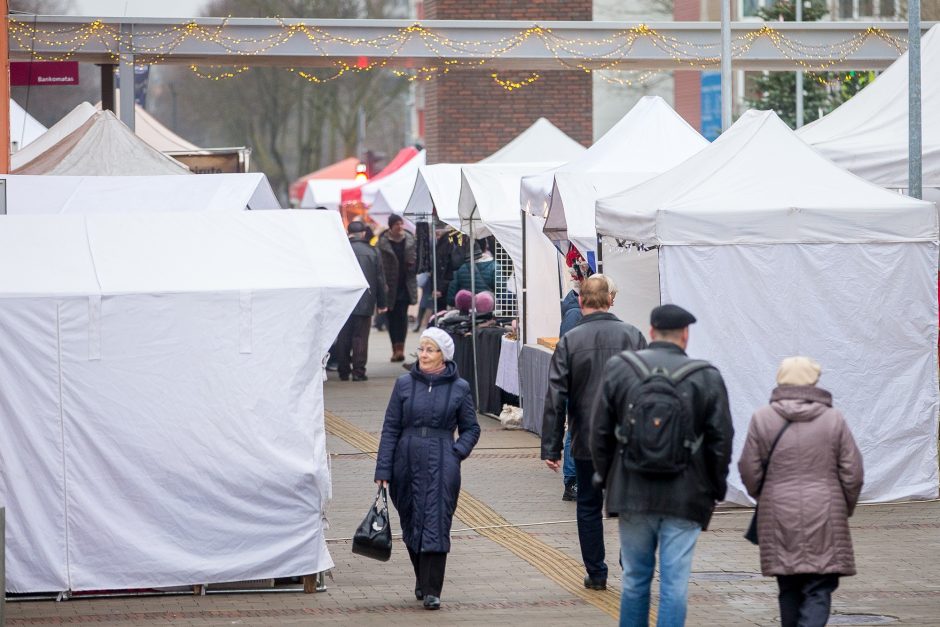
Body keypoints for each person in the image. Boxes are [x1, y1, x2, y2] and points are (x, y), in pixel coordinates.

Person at [591, 304, 733, 627]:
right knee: (674, 585)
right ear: (685, 335)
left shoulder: (620, 368)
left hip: (632, 491)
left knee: (635, 581)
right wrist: (714, 487)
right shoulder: (705, 376)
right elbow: (721, 440)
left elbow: (599, 431)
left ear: (652, 332)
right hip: (685, 495)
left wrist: (608, 477)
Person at [739, 357, 863, 627]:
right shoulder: (833, 418)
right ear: (813, 380)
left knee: (788, 585)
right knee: (819, 586)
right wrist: (845, 507)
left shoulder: (762, 418)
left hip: (779, 512)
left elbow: (748, 467)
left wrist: (765, 495)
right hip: (825, 510)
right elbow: (852, 471)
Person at [541, 275, 647, 591]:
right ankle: (631, 567)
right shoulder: (633, 336)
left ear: (582, 300)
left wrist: (551, 447)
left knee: (587, 504)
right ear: (611, 299)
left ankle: (597, 573)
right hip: (628, 439)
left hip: (586, 438)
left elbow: (555, 396)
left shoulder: (570, 341)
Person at [374, 327, 481, 611]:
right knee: (411, 522)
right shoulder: (404, 384)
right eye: (421, 348)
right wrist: (384, 469)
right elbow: (390, 428)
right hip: (404, 462)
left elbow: (471, 428)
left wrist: (455, 453)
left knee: (436, 521)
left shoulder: (460, 388)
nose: (423, 354)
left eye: (430, 349)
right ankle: (422, 577)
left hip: (443, 461)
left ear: (443, 355)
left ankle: (433, 589)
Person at [335, 221, 387, 381]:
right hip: (366, 299)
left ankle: (343, 370)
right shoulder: (373, 251)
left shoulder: (340, 250)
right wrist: (382, 303)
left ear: (348, 232)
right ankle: (358, 371)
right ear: (364, 233)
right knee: (360, 337)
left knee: (343, 336)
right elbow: (380, 279)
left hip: (343, 300)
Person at [377, 215, 417, 361]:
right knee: (391, 318)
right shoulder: (382, 243)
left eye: (401, 223)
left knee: (402, 317)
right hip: (389, 286)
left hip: (405, 285)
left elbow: (417, 260)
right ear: (390, 226)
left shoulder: (410, 240)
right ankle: (394, 348)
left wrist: (413, 265)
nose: (400, 227)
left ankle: (400, 349)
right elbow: (378, 265)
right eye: (396, 224)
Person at [446, 241, 498, 306]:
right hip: (488, 311)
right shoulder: (494, 266)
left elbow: (450, 298)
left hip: (466, 311)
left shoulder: (460, 268)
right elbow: (501, 293)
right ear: (486, 247)